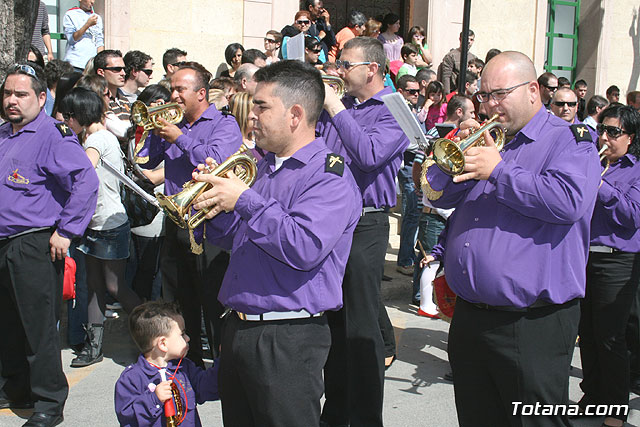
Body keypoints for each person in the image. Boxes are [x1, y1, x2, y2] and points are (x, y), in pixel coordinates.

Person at [422, 50, 601, 426]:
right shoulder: (491, 139)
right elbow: (437, 192)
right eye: (485, 95)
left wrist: (499, 171)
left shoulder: (572, 139)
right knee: (476, 417)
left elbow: (568, 201)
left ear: (533, 90)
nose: (490, 105)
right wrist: (458, 149)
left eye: (499, 94)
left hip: (531, 321)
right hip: (471, 314)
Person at [190, 59, 361, 426]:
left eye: (262, 106)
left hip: (287, 339)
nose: (252, 116)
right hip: (241, 327)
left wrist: (244, 200)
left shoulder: (329, 176)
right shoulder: (264, 167)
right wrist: (213, 205)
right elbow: (240, 238)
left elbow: (304, 247)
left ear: (295, 115)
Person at [317, 37, 410, 427]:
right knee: (334, 324)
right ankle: (335, 414)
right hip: (332, 222)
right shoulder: (341, 109)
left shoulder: (395, 109)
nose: (338, 71)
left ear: (372, 68)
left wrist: (334, 107)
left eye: (346, 65)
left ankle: (367, 417)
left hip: (367, 222)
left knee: (361, 326)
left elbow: (369, 155)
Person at [0, 64, 99, 427]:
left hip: (34, 242)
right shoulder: (4, 135)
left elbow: (85, 183)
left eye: (21, 94)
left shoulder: (52, 135)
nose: (12, 100)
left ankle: (48, 403)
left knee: (38, 327)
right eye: (8, 93)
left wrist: (67, 230)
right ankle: (15, 387)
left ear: (42, 98)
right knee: (8, 323)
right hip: (4, 243)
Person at [135, 62, 243, 367]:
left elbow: (214, 162)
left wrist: (179, 137)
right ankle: (189, 367)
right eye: (172, 88)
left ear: (201, 93)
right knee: (179, 303)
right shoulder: (174, 125)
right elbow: (146, 159)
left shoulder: (225, 124)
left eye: (180, 89)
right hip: (176, 221)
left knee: (214, 303)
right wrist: (151, 132)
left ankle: (224, 371)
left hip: (211, 228)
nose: (174, 95)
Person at [59, 87, 142, 367]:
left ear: (81, 114)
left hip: (108, 222)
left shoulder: (96, 138)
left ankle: (154, 332)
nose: (66, 120)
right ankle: (93, 346)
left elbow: (83, 176)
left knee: (113, 286)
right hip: (95, 223)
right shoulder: (98, 136)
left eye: (70, 115)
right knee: (94, 286)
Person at [577, 104, 640, 427]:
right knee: (586, 332)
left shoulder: (635, 170)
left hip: (617, 260)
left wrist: (600, 186)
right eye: (602, 129)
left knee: (610, 336)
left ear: (630, 137)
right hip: (585, 256)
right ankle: (593, 394)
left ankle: (615, 406)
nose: (604, 137)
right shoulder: (594, 161)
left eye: (613, 132)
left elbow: (632, 215)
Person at [411, 95, 476, 311]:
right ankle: (424, 302)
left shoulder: (447, 134)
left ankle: (427, 301)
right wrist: (422, 190)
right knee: (431, 260)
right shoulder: (438, 134)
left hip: (443, 212)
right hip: (434, 211)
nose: (475, 116)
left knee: (433, 259)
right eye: (472, 112)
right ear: (459, 112)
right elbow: (419, 164)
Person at [115, 301, 219, 426]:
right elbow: (127, 417)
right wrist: (154, 399)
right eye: (182, 334)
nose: (188, 338)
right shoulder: (131, 379)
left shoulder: (184, 368)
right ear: (163, 343)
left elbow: (207, 387)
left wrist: (223, 361)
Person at [395, 75, 423, 277]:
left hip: (415, 163)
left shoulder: (411, 109)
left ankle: (406, 257)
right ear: (401, 92)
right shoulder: (398, 112)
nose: (416, 95)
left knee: (412, 215)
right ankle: (405, 259)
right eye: (411, 91)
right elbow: (401, 141)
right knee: (411, 215)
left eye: (417, 91)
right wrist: (423, 143)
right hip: (408, 166)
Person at [63, 0, 104, 71]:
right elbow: (71, 39)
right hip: (75, 63)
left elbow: (99, 41)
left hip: (91, 65)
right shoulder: (70, 14)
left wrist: (100, 62)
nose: (92, 2)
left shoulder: (97, 17)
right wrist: (87, 25)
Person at [437, 30, 477, 94]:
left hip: (469, 93)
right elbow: (446, 77)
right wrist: (447, 95)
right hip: (454, 92)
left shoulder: (474, 58)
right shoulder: (451, 56)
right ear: (460, 39)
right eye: (467, 39)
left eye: (471, 40)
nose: (469, 42)